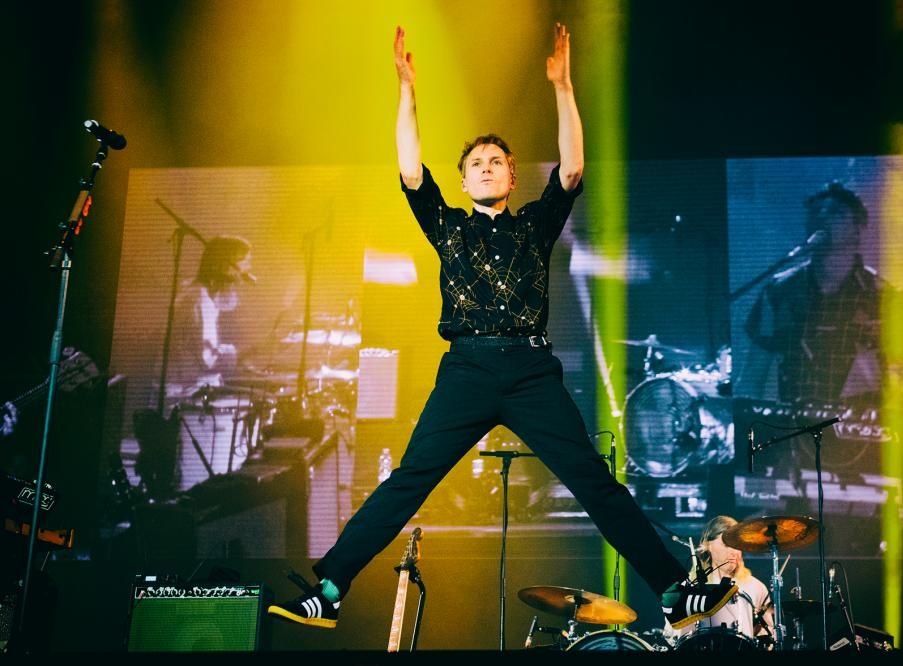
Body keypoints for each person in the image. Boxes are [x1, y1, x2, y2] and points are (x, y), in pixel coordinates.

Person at [267, 22, 736, 631]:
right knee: (409, 480)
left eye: (496, 162)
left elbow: (572, 169)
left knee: (593, 480)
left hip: (530, 371)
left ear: (512, 177)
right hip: (467, 369)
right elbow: (410, 170)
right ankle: (329, 588)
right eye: (476, 164)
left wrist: (563, 87)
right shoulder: (449, 228)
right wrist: (407, 90)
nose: (486, 168)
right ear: (463, 181)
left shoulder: (534, 225)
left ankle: (673, 591)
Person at [742, 181, 903, 406]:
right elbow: (751, 379)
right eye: (815, 211)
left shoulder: (888, 299)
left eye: (836, 212)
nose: (822, 216)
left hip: (862, 426)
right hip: (797, 425)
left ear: (857, 228)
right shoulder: (779, 291)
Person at [664, 516, 773, 647]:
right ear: (708, 545)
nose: (734, 552)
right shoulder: (686, 587)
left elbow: (768, 634)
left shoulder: (756, 587)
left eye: (736, 545)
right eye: (726, 544)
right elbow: (671, 635)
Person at [167, 235, 254, 394]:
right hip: (184, 393)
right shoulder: (200, 301)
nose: (248, 269)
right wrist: (253, 349)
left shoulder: (203, 296)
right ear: (225, 267)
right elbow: (208, 360)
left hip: (192, 385)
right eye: (244, 261)